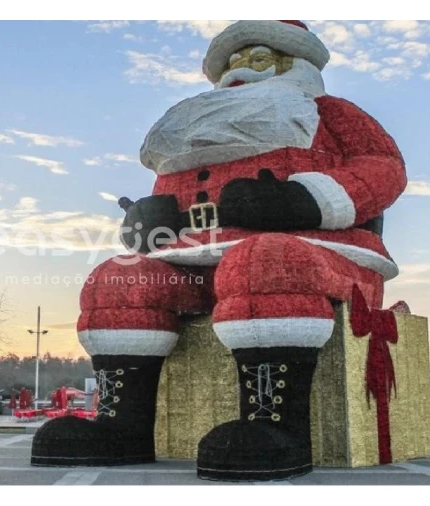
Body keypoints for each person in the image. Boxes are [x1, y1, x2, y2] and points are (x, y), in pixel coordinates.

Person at [31, 20, 407, 482]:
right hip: (196, 257)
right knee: (119, 278)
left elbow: (382, 168)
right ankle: (121, 427)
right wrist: (149, 223)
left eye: (259, 58)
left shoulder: (330, 114)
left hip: (317, 252)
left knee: (263, 261)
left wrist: (305, 199)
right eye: (232, 62)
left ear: (295, 65)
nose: (240, 70)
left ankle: (277, 426)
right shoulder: (198, 133)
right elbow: (175, 198)